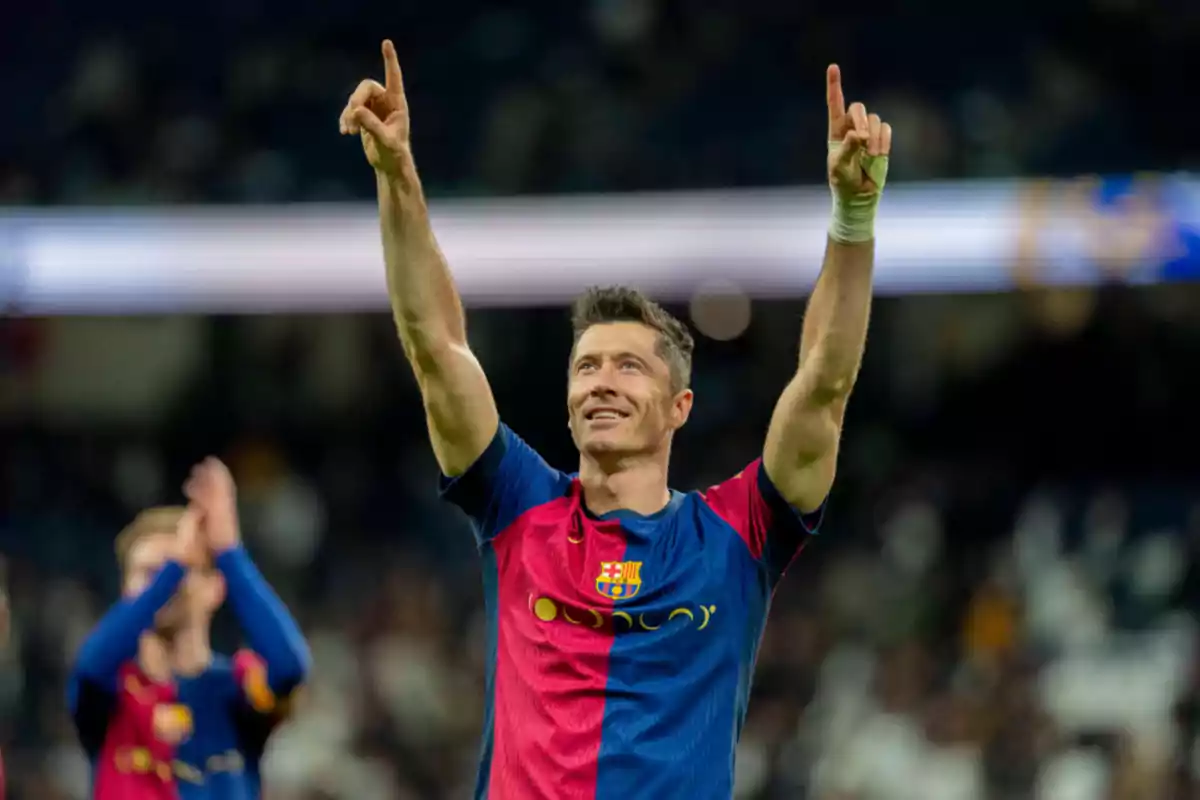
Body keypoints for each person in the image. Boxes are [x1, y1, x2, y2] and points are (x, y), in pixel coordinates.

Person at [341, 41, 889, 799]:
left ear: (679, 407)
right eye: (586, 366)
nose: (601, 383)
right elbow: (436, 349)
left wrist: (853, 217)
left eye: (629, 366)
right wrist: (397, 176)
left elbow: (824, 384)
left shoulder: (737, 534)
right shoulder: (519, 507)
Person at [68, 458, 310, 799]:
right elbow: (91, 665)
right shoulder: (112, 695)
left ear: (215, 588)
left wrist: (229, 552)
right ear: (127, 594)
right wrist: (175, 568)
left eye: (181, 572)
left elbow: (290, 666)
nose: (166, 585)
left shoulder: (236, 689)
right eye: (148, 575)